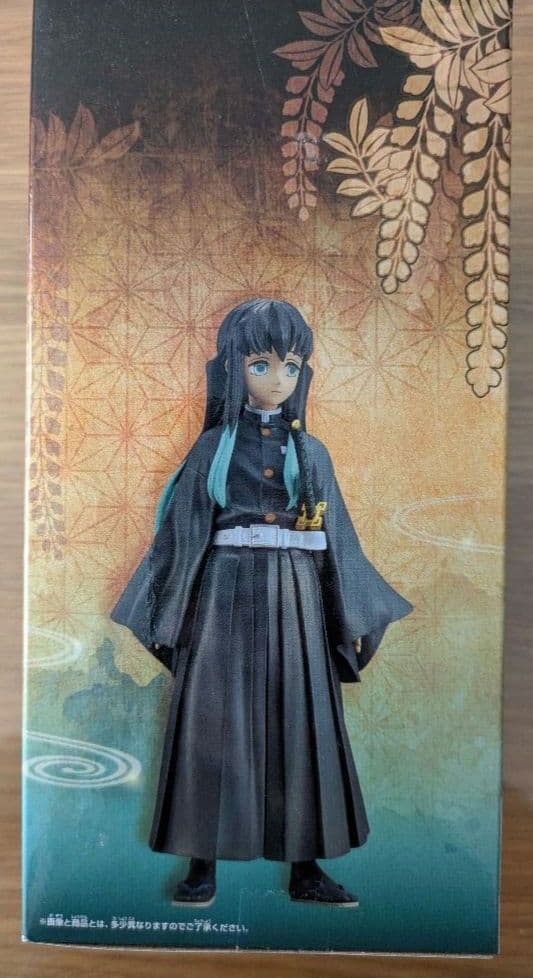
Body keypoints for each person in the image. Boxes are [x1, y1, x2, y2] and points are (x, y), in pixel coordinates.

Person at [109, 297, 413, 906]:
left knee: (302, 719)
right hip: (222, 592)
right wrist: (163, 610)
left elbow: (338, 538)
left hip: (298, 594)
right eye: (261, 365)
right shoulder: (212, 449)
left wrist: (353, 610)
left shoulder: (312, 453)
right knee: (212, 721)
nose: (278, 379)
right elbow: (180, 533)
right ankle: (202, 865)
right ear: (234, 367)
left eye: (291, 366)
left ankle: (306, 869)